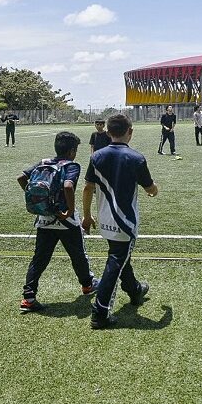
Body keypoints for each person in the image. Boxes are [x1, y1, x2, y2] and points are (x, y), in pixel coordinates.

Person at [82, 113, 158, 330]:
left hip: (104, 219)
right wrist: (155, 190)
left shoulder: (96, 157)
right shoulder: (136, 158)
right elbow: (150, 188)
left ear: (107, 133)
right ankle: (100, 313)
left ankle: (134, 290)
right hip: (125, 222)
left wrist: (87, 216)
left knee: (120, 255)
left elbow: (87, 187)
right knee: (116, 261)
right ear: (130, 132)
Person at [17, 131, 98, 313]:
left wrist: (38, 202)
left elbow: (22, 178)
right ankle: (87, 285)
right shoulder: (72, 165)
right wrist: (68, 210)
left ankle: (28, 298)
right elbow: (68, 186)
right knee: (78, 255)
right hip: (65, 220)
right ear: (71, 151)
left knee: (39, 259)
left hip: (44, 219)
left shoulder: (44, 162)